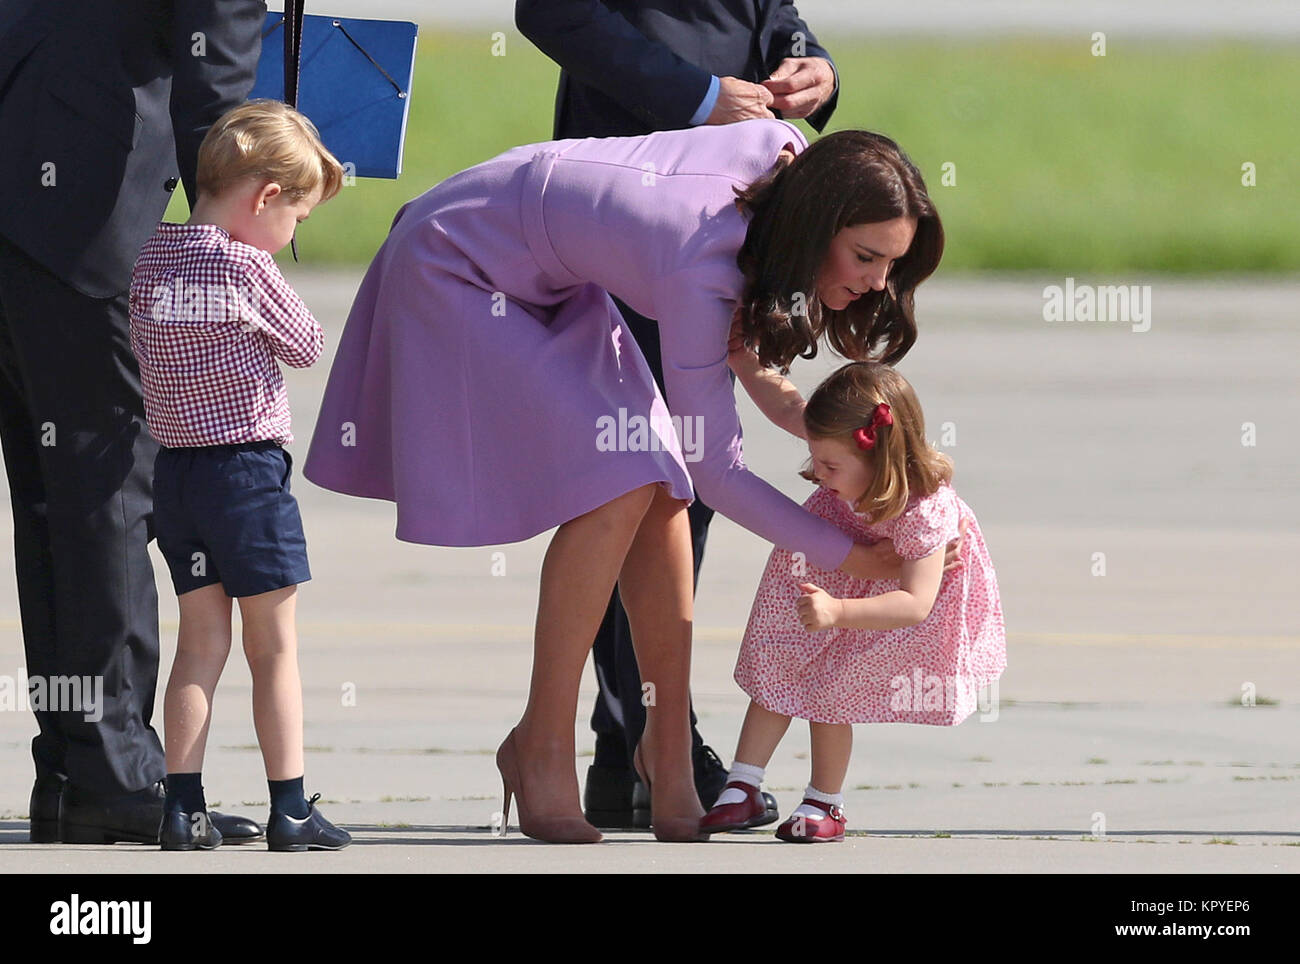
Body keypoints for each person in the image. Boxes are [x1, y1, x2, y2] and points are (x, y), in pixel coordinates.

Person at [303, 119, 945, 843]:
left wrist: (820, 425)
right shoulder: (697, 256)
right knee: (623, 480)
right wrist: (848, 554)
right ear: (817, 224)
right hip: (456, 262)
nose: (875, 283)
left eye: (889, 265)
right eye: (865, 257)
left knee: (661, 483)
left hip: (548, 275)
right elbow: (720, 469)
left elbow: (739, 358)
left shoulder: (788, 158)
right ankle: (540, 746)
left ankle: (665, 749)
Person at [516, 0, 839, 830]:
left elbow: (775, 15)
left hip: (729, 205)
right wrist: (696, 98)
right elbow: (551, 12)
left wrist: (810, 66)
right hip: (627, 205)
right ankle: (650, 738)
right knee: (635, 480)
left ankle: (625, 744)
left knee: (677, 494)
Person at [0, 0, 266, 845]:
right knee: (110, 489)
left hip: (27, 196)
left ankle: (76, 766)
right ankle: (113, 773)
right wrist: (233, 253)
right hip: (80, 215)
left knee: (53, 498)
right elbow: (216, 88)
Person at [129, 100, 351, 852]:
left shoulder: (152, 257)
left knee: (198, 645)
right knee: (273, 646)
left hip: (177, 476)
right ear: (264, 198)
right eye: (298, 218)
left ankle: (182, 807)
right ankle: (290, 807)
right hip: (248, 474)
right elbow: (307, 345)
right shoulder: (248, 265)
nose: (293, 235)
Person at [699, 361, 1005, 842]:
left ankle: (825, 802)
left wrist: (839, 613)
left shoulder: (925, 510)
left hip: (877, 604)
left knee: (831, 686)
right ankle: (744, 784)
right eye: (816, 459)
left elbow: (915, 602)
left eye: (830, 465)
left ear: (880, 456)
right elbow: (791, 414)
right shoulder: (839, 478)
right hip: (829, 577)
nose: (817, 475)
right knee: (781, 660)